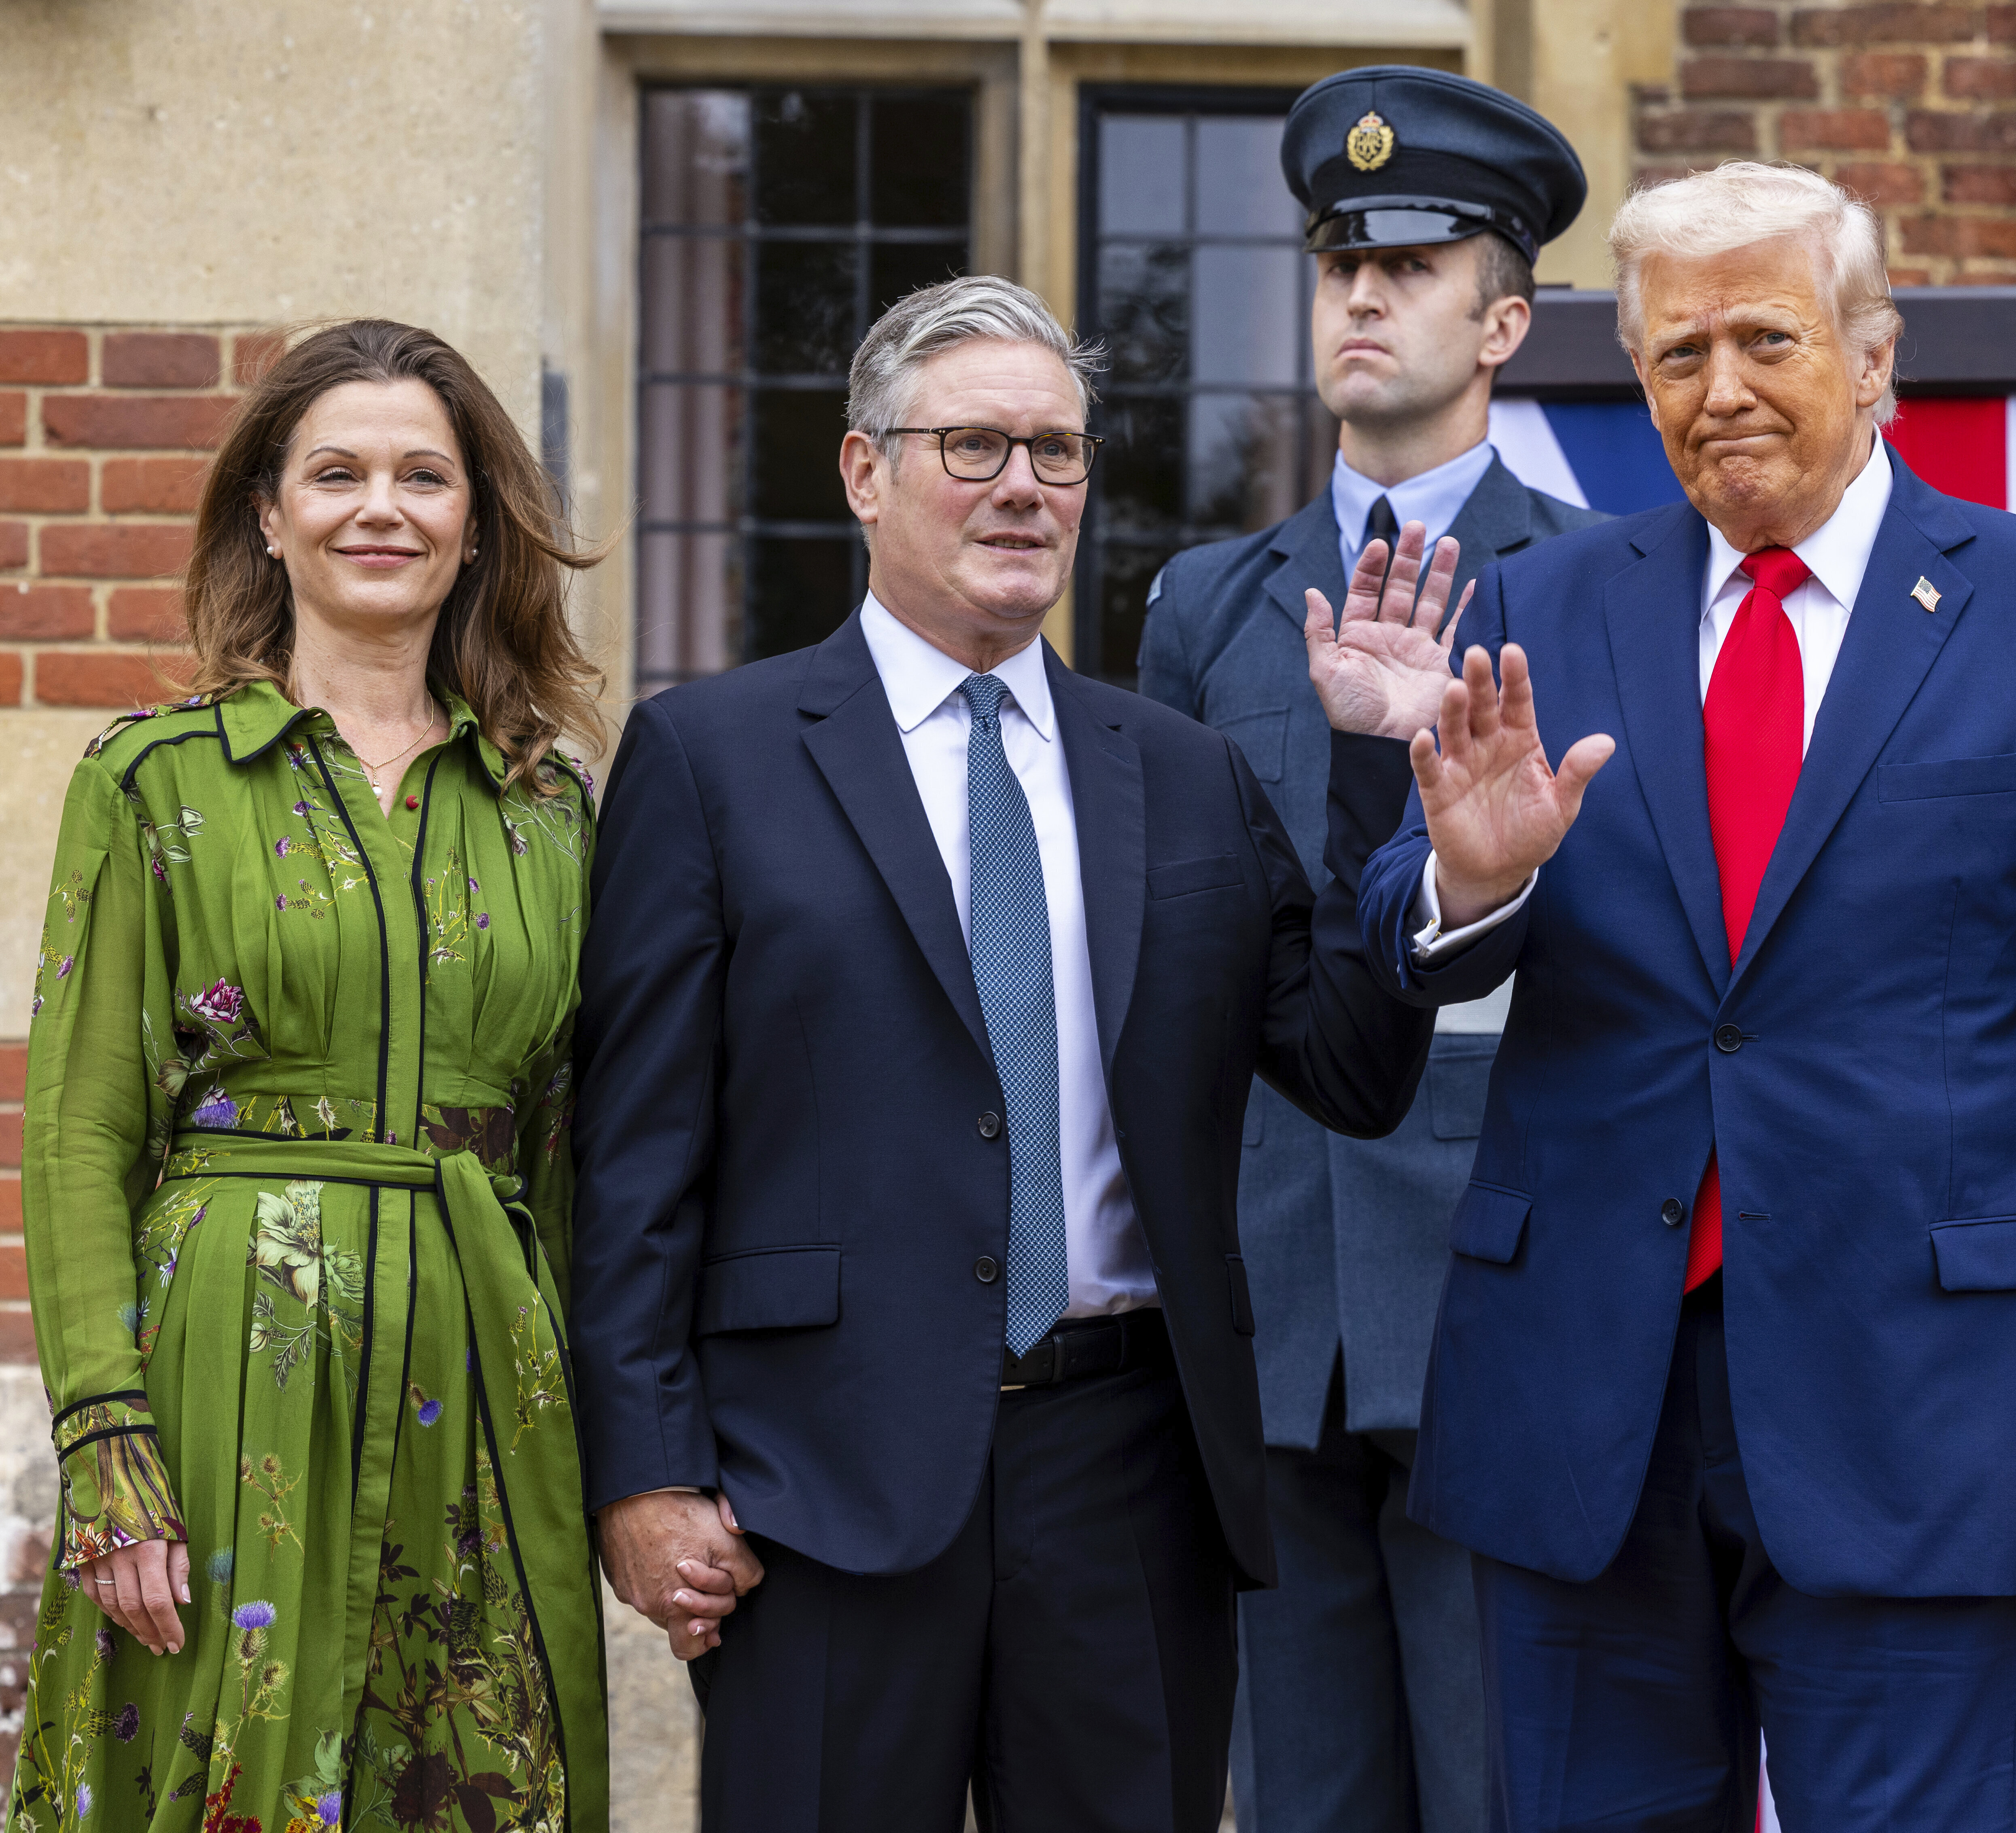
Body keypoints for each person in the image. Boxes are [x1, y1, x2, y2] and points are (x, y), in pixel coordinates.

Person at [1350, 161, 2016, 1832]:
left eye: (1764, 338)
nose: (1718, 389)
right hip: (1584, 1403)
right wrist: (1474, 876)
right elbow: (1404, 926)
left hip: (1921, 1410)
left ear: (1875, 354)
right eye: (1674, 354)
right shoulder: (1541, 600)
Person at [568, 273, 1467, 1831]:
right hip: (819, 1477)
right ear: (865, 471)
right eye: (973, 447)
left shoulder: (1178, 774)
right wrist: (643, 1475)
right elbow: (636, 1150)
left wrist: (1404, 811)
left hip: (1129, 1473)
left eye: (1057, 452)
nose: (1024, 489)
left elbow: (1346, 1070)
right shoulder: (709, 760)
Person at [5, 320, 611, 1831]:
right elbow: (79, 1131)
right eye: (334, 473)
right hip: (228, 1372)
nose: (380, 508)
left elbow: (575, 1153)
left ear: (476, 526)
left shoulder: (554, 815)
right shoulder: (155, 780)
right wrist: (107, 1444)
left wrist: (626, 1448)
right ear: (268, 519)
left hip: (482, 1380)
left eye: (424, 474)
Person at [1137, 65, 1604, 1833]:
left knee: (1508, 1788)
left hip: (1497, 1274)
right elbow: (1175, 956)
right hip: (1267, 1290)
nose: (1356, 293)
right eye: (1336, 261)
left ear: (1502, 318)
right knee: (1304, 1795)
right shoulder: (1210, 601)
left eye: (1407, 267)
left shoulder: (1592, 581)